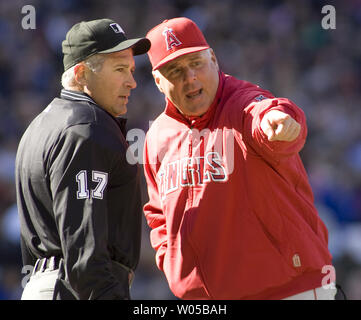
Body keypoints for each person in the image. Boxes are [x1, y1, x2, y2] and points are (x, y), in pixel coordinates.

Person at [142, 17, 336, 300]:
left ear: (214, 60)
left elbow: (264, 111)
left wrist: (278, 120)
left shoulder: (241, 103)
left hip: (290, 290)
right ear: (159, 82)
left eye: (196, 63)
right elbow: (159, 216)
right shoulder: (157, 136)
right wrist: (172, 263)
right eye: (175, 70)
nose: (190, 77)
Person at [15, 18, 150, 300]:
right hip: (78, 290)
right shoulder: (88, 128)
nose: (132, 81)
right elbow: (84, 254)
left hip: (44, 286)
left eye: (132, 70)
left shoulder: (39, 126)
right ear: (81, 74)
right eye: (120, 69)